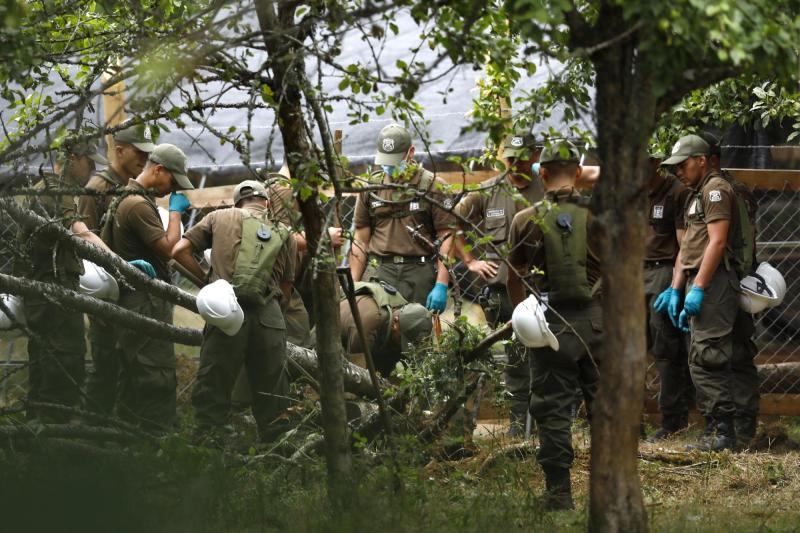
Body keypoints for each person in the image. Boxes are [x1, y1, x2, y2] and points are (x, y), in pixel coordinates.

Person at [506, 140, 603, 510]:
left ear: (541, 173)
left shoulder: (525, 219)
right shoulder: (600, 217)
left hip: (550, 326)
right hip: (599, 323)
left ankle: (559, 495)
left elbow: (513, 278)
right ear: (578, 173)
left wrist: (523, 318)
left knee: (553, 411)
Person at [171, 180, 296, 442]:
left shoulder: (218, 217)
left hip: (226, 308)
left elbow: (179, 251)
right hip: (268, 315)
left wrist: (208, 283)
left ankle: (209, 445)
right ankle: (278, 453)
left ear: (236, 203)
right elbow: (286, 288)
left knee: (215, 381)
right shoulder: (284, 231)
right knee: (273, 391)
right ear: (267, 203)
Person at [453, 131, 544, 436]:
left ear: (534, 157)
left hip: (541, 290)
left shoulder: (545, 190)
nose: (514, 164)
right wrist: (470, 261)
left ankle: (549, 423)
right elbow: (452, 223)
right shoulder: (488, 191)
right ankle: (519, 427)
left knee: (547, 359)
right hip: (502, 291)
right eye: (510, 158)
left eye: (521, 158)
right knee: (516, 361)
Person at [17, 139, 112, 420]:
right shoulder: (53, 193)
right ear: (72, 158)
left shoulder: (53, 191)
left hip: (49, 291)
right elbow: (81, 233)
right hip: (52, 294)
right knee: (63, 367)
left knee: (47, 367)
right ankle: (52, 442)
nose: (93, 168)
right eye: (89, 161)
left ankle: (36, 438)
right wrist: (121, 265)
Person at [657, 133, 740, 451]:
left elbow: (717, 242)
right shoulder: (696, 193)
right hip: (695, 280)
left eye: (683, 164)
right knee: (698, 355)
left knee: (709, 355)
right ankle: (712, 429)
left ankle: (722, 432)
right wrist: (677, 288)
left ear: (702, 160)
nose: (677, 171)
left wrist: (700, 288)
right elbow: (688, 246)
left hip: (714, 282)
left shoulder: (716, 190)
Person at [103, 143, 193, 430]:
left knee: (133, 374)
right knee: (155, 374)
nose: (173, 188)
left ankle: (130, 442)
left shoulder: (125, 197)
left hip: (134, 300)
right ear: (158, 170)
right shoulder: (138, 205)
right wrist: (176, 213)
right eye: (173, 180)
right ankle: (159, 444)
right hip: (145, 302)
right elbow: (170, 249)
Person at [78, 120, 155, 415]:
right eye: (140, 153)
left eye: (149, 155)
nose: (145, 160)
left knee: (132, 366)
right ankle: (91, 432)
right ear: (120, 151)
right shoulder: (98, 188)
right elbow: (86, 238)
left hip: (133, 290)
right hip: (108, 290)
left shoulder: (136, 186)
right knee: (105, 364)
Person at [348, 123, 456, 312]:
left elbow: (446, 235)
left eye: (395, 160)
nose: (389, 166)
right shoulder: (370, 188)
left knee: (416, 336)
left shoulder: (433, 186)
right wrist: (352, 284)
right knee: (375, 333)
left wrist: (441, 284)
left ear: (410, 152)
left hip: (418, 273)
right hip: (379, 272)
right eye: (385, 160)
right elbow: (360, 239)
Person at [699, 132, 760, 448]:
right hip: (742, 277)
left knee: (718, 351)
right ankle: (744, 425)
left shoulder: (718, 191)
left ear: (710, 160)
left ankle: (729, 428)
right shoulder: (738, 189)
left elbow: (723, 240)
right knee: (740, 350)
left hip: (727, 278)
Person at [645, 156, 694, 440]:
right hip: (631, 272)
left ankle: (672, 419)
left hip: (663, 271)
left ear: (654, 163)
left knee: (666, 349)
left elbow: (684, 245)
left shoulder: (677, 192)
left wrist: (676, 284)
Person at [339, 280, 432, 375]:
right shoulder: (368, 327)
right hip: (329, 327)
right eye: (401, 339)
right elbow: (355, 375)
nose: (401, 345)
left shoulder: (404, 311)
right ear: (395, 321)